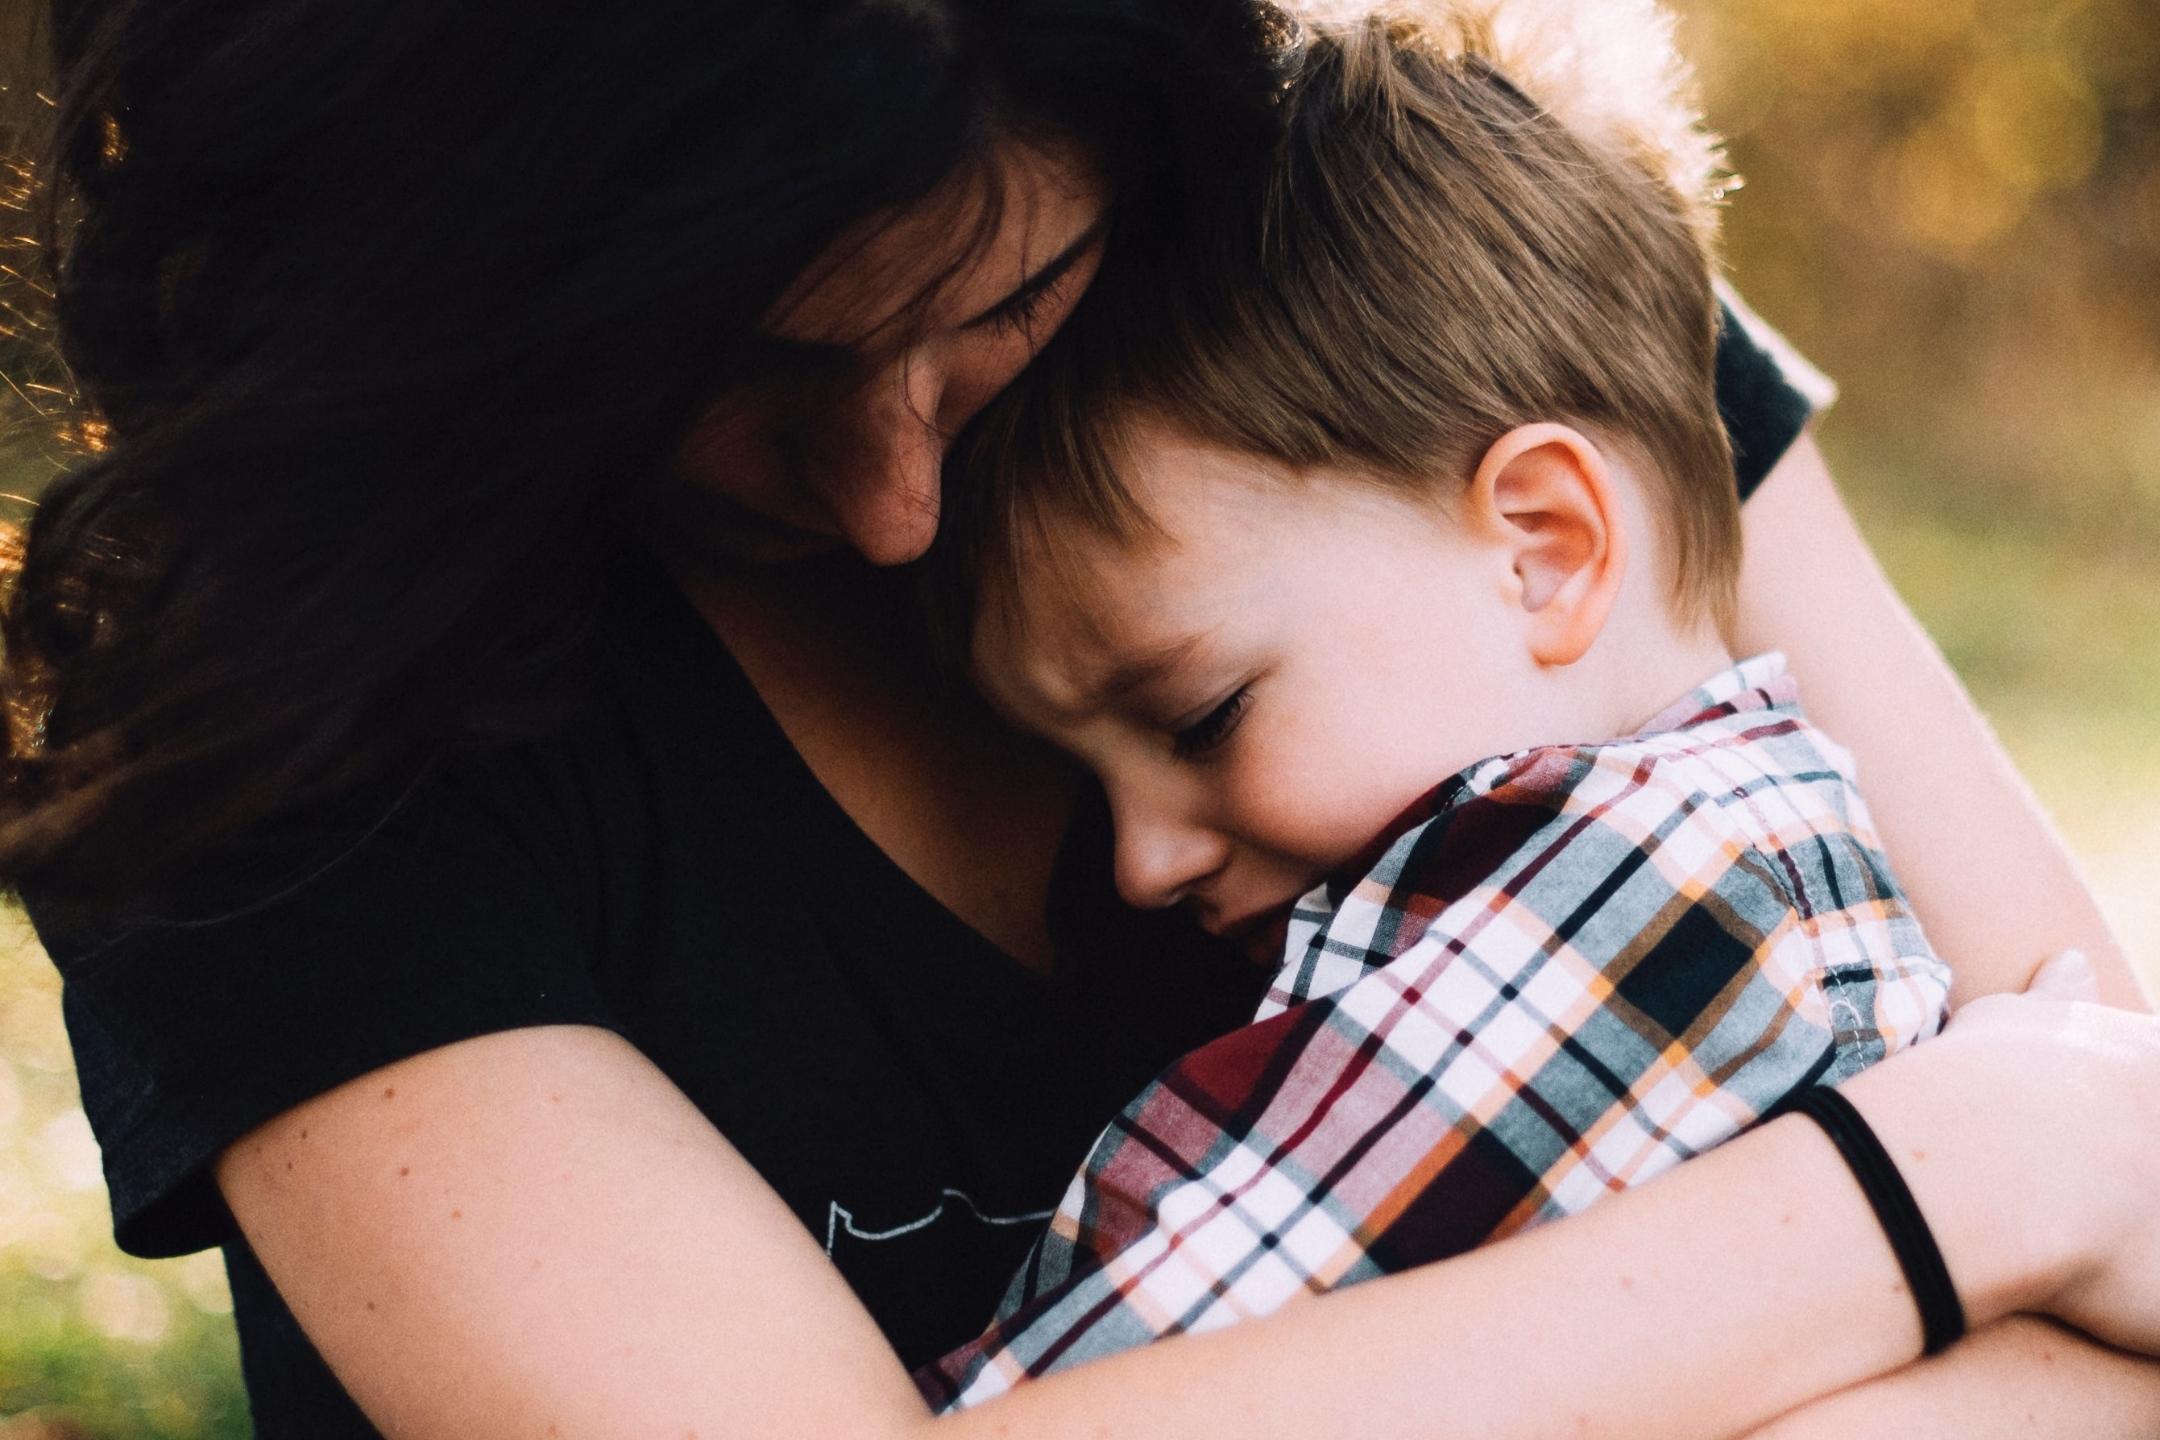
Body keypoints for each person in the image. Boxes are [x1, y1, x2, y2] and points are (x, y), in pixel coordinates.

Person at [3, 1, 2157, 1437]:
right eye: (721, 380)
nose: (892, 506)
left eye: (998, 313)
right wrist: (1938, 1192)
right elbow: (2077, 1159)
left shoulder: (1435, 302)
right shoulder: (275, 704)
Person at [918, 1, 1957, 1403]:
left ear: (1543, 548)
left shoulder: (1641, 900)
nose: (1138, 860)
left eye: (1202, 716)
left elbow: (1138, 1369)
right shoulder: (1755, 849)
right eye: (1089, 776)